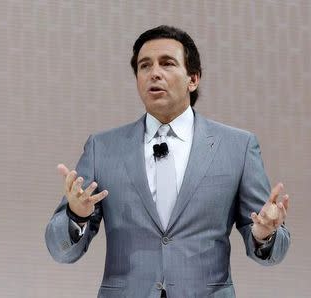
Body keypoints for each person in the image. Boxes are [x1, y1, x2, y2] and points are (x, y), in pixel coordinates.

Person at [45, 25, 290, 298]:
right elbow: (60, 250)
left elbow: (272, 252)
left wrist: (265, 234)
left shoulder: (238, 147)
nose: (154, 73)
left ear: (193, 79)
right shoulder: (103, 148)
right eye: (144, 66)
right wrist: (76, 216)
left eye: (167, 63)